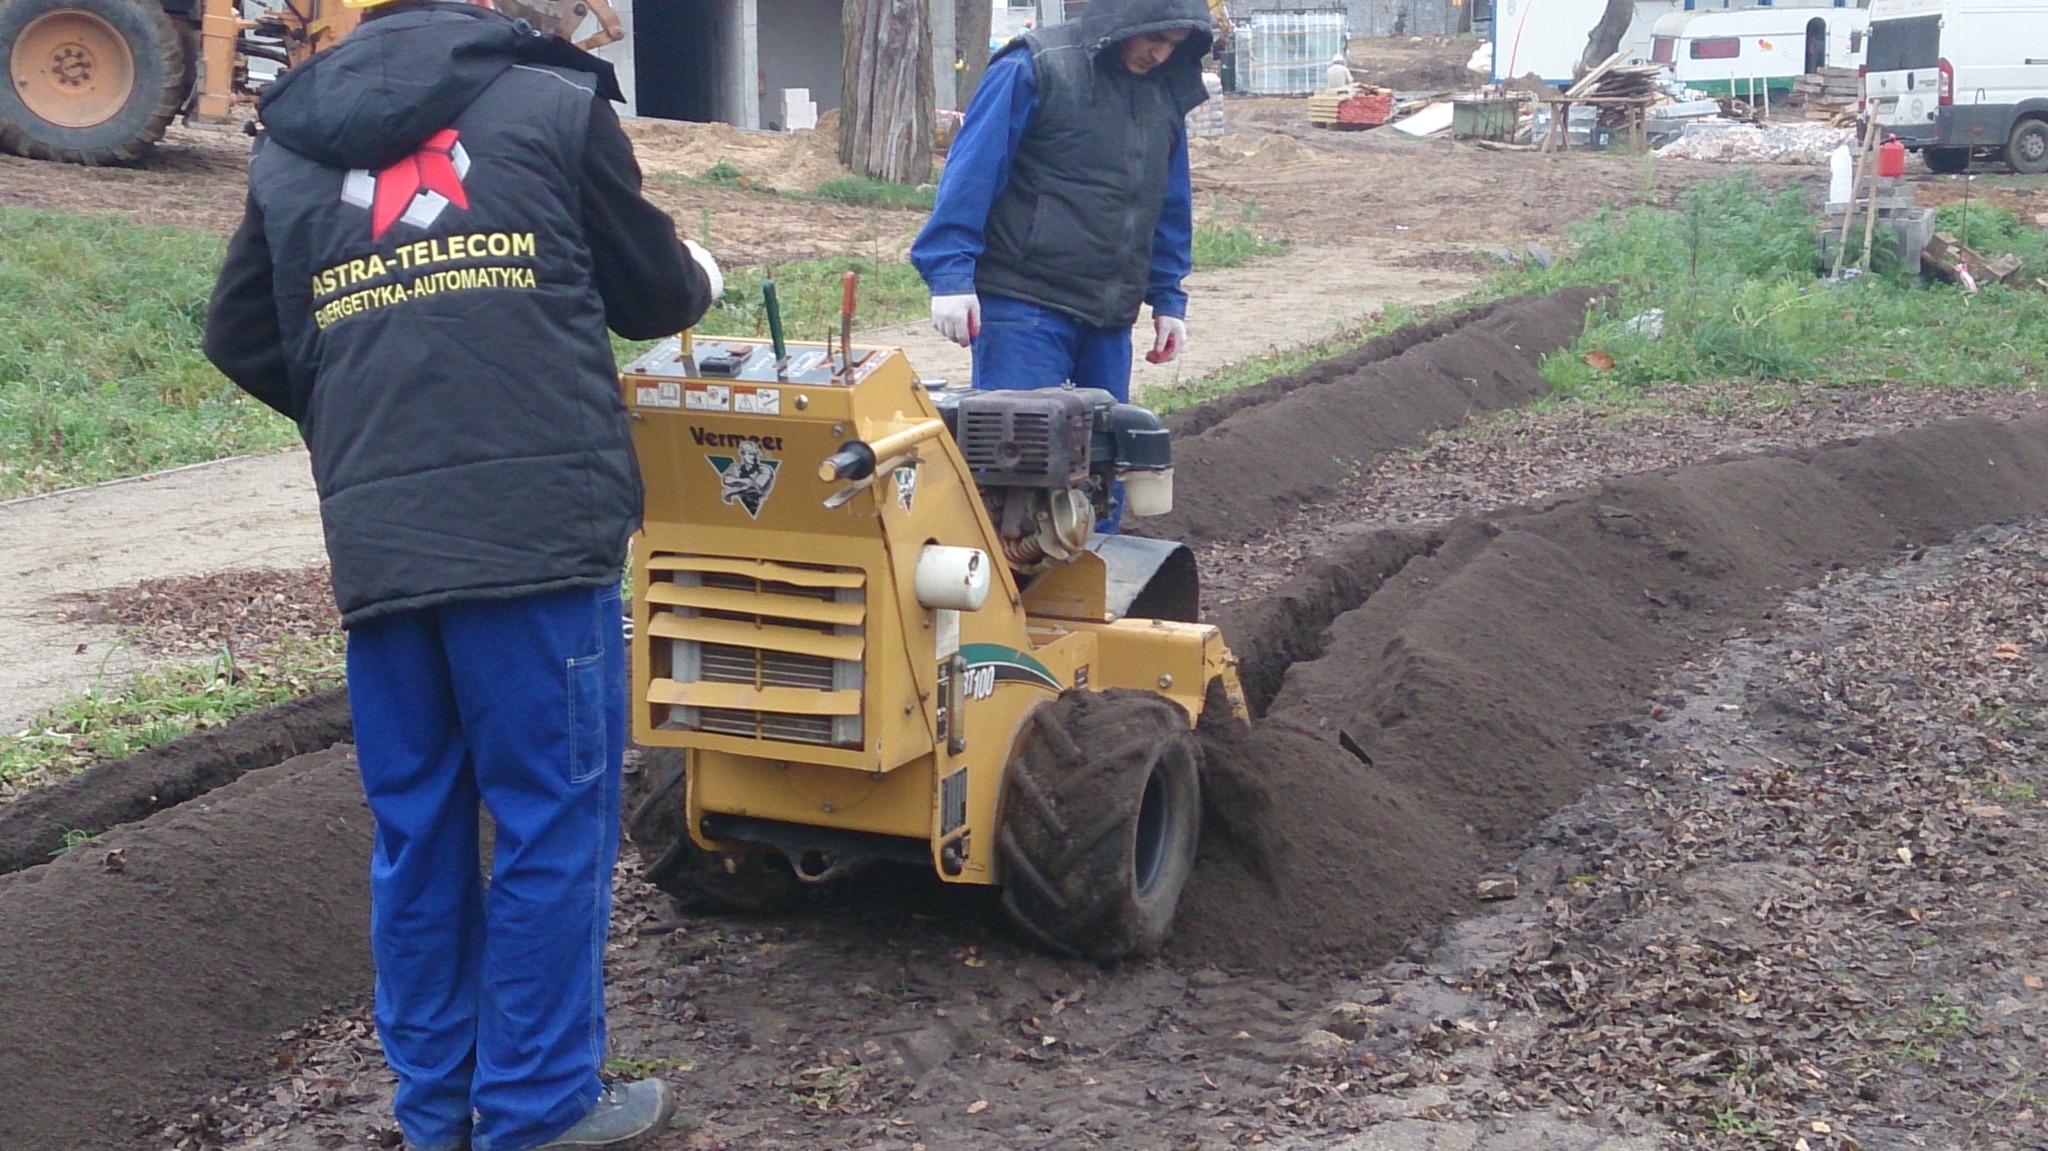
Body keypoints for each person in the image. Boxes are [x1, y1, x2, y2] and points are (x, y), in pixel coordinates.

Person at [201, 0, 720, 1148]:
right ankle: (537, 1108)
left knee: (417, 827)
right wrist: (697, 273)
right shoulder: (550, 98)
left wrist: (366, 424)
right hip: (536, 541)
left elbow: (240, 337)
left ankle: (436, 1109)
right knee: (548, 818)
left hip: (386, 549)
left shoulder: (291, 143)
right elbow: (649, 296)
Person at [911, 0, 1213, 408]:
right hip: (1024, 307)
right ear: (1122, 20)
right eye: (1155, 37)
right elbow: (972, 175)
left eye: (1174, 45)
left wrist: (1167, 297)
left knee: (1102, 457)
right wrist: (949, 275)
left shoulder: (1163, 89)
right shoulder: (1034, 67)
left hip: (1109, 317)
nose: (1160, 54)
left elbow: (1166, 199)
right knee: (1020, 454)